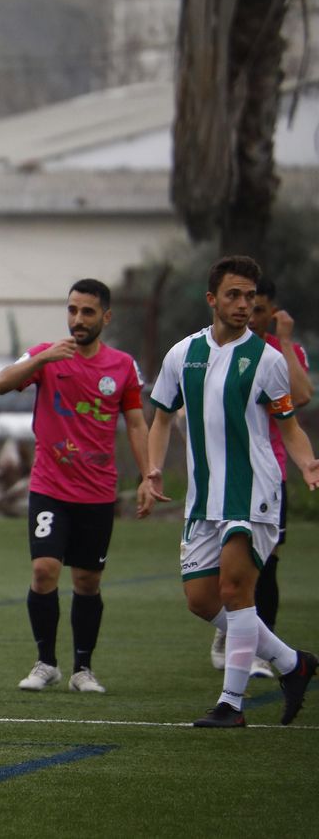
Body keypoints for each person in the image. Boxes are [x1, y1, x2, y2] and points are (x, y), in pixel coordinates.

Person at [138, 255, 319, 728]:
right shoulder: (183, 354)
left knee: (235, 590)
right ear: (212, 299)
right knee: (201, 600)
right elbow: (159, 419)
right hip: (204, 497)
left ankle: (231, 705)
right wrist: (152, 470)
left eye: (250, 297)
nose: (244, 305)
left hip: (253, 488)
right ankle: (291, 663)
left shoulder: (268, 360)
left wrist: (307, 464)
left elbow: (289, 425)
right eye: (234, 295)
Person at [0, 278, 147, 695]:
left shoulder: (123, 367)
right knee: (44, 572)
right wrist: (40, 363)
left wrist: (149, 474)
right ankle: (45, 663)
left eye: (88, 312)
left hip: (97, 492)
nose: (78, 319)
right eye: (73, 310)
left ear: (105, 317)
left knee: (87, 583)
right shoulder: (46, 355)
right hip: (49, 487)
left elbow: (135, 422)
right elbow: (1, 383)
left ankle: (83, 668)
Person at [209, 276, 310, 678]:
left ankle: (256, 649)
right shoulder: (218, 349)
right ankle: (237, 631)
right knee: (217, 573)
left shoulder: (279, 354)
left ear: (272, 311)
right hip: (222, 474)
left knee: (265, 564)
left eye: (259, 304)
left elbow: (301, 396)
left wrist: (285, 341)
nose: (251, 310)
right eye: (242, 299)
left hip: (268, 476)